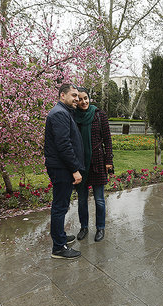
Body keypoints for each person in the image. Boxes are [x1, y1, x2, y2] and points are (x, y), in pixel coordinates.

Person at [44, 83, 84, 259]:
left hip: (61, 167)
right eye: (73, 95)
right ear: (62, 96)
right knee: (60, 207)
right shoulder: (60, 113)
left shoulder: (63, 112)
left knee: (61, 205)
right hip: (62, 168)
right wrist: (74, 169)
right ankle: (59, 248)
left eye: (77, 96)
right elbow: (64, 145)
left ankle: (60, 237)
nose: (77, 99)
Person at [73, 87, 114, 242]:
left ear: (89, 98)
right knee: (82, 199)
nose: (84, 102)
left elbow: (108, 140)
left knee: (99, 199)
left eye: (86, 98)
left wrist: (109, 160)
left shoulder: (99, 115)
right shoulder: (73, 116)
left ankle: (100, 228)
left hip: (97, 161)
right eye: (80, 99)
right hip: (80, 163)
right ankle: (84, 227)